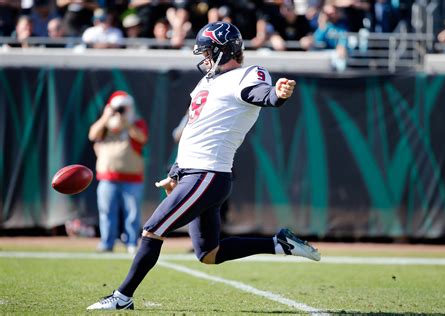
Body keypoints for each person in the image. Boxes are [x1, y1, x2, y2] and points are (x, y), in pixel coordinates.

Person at [87, 21, 320, 311]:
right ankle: (279, 243)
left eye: (208, 51)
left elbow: (262, 95)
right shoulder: (207, 82)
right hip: (194, 172)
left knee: (152, 229)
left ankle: (122, 297)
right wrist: (175, 171)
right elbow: (195, 130)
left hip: (208, 173)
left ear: (224, 50)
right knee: (210, 253)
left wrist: (278, 94)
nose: (204, 58)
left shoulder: (247, 75)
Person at [88, 91, 148, 254]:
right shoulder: (105, 125)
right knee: (107, 212)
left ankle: (131, 242)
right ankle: (107, 243)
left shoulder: (136, 123)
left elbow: (142, 138)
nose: (121, 111)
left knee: (132, 213)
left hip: (132, 178)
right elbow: (92, 135)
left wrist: (126, 122)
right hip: (107, 177)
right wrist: (106, 117)